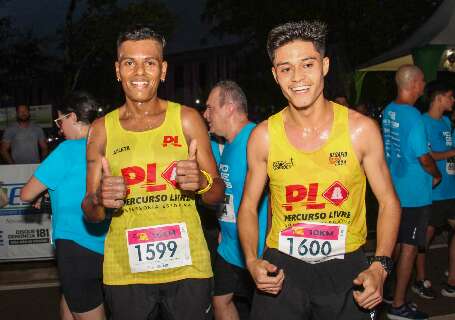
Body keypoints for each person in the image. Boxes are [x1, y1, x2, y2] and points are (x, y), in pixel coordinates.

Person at [237, 20, 400, 320]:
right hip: (281, 271)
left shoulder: (360, 130)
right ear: (275, 74)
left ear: (324, 65)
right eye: (285, 68)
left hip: (346, 270)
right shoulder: (263, 136)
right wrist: (250, 260)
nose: (297, 77)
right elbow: (247, 206)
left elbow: (389, 202)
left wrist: (380, 267)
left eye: (307, 64)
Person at [81, 25, 224, 320]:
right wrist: (100, 199)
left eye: (150, 62)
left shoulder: (187, 119)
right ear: (118, 70)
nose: (139, 72)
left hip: (189, 266)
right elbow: (90, 212)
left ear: (163, 70)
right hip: (126, 271)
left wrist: (201, 182)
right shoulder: (101, 130)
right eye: (129, 63)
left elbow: (217, 194)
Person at [20, 92, 109, 320]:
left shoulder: (66, 150)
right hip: (109, 246)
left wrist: (43, 193)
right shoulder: (110, 145)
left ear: (73, 117)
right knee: (70, 300)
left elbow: (26, 194)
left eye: (60, 121)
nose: (60, 129)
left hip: (76, 247)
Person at [203, 80, 268, 320]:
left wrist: (271, 248)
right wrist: (224, 228)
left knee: (264, 310)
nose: (205, 114)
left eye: (210, 108)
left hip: (260, 247)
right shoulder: (226, 145)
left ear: (229, 108)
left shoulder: (256, 138)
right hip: (230, 246)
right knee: (220, 301)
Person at [382, 65, 441, 320]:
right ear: (415, 83)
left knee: (393, 243)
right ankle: (398, 305)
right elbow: (424, 157)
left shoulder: (388, 111)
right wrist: (436, 174)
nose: (424, 84)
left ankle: (385, 291)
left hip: (394, 190)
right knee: (408, 247)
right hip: (414, 193)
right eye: (423, 81)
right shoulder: (414, 116)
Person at [414, 81, 455, 299]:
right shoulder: (423, 122)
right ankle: (420, 279)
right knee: (423, 240)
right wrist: (450, 154)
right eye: (450, 96)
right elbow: (425, 156)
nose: (453, 100)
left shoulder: (447, 121)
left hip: (451, 189)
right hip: (434, 191)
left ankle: (451, 280)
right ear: (439, 98)